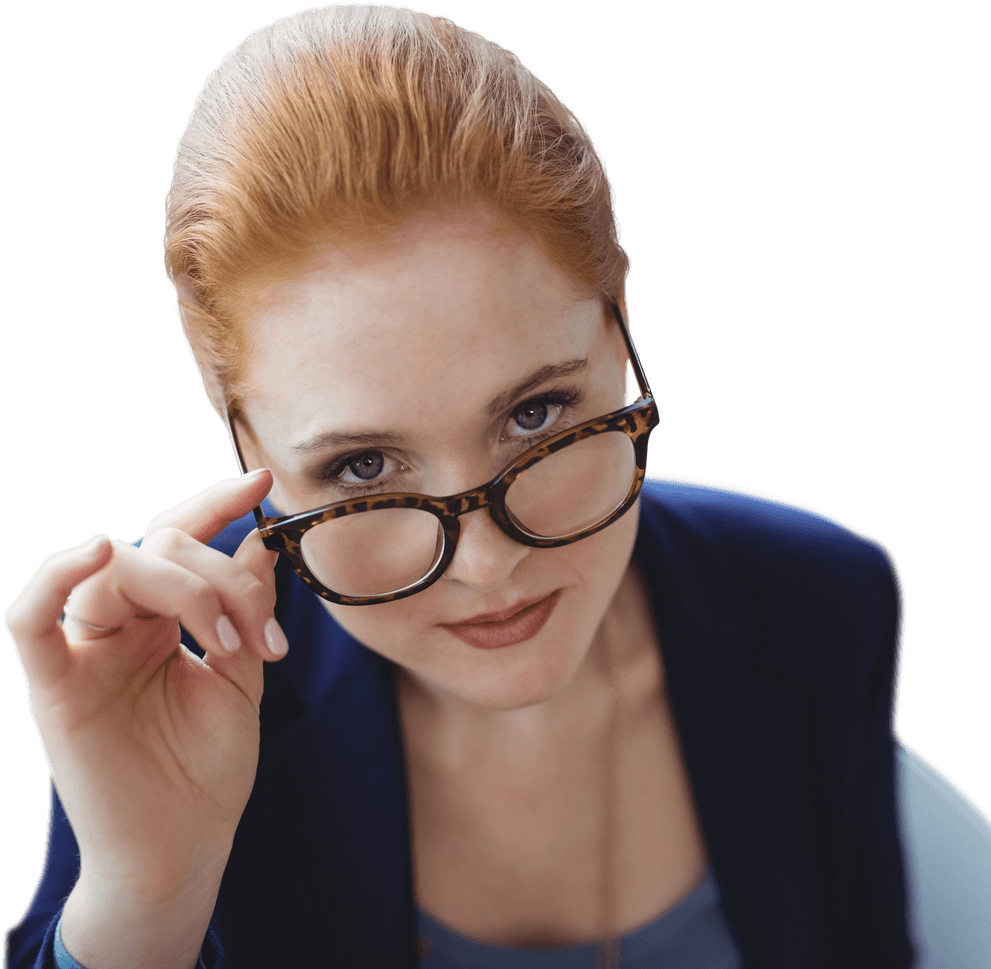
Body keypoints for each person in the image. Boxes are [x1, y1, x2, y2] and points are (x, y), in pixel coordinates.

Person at [3, 5, 915, 968]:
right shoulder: (172, 670)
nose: (489, 563)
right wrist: (146, 899)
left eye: (536, 415)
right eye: (362, 466)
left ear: (623, 333)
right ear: (245, 449)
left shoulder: (823, 598)